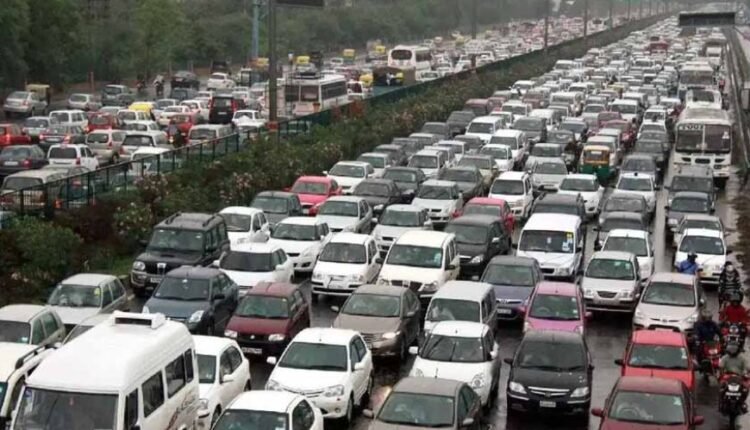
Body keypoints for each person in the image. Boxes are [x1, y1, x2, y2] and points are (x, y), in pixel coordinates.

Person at [719, 342, 750, 412]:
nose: (732, 351)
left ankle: (742, 402)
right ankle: (722, 401)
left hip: (740, 376)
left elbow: (747, 367)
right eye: (730, 349)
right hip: (727, 375)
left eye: (734, 349)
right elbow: (721, 367)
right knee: (722, 387)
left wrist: (745, 372)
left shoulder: (742, 358)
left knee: (745, 388)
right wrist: (721, 374)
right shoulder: (725, 357)